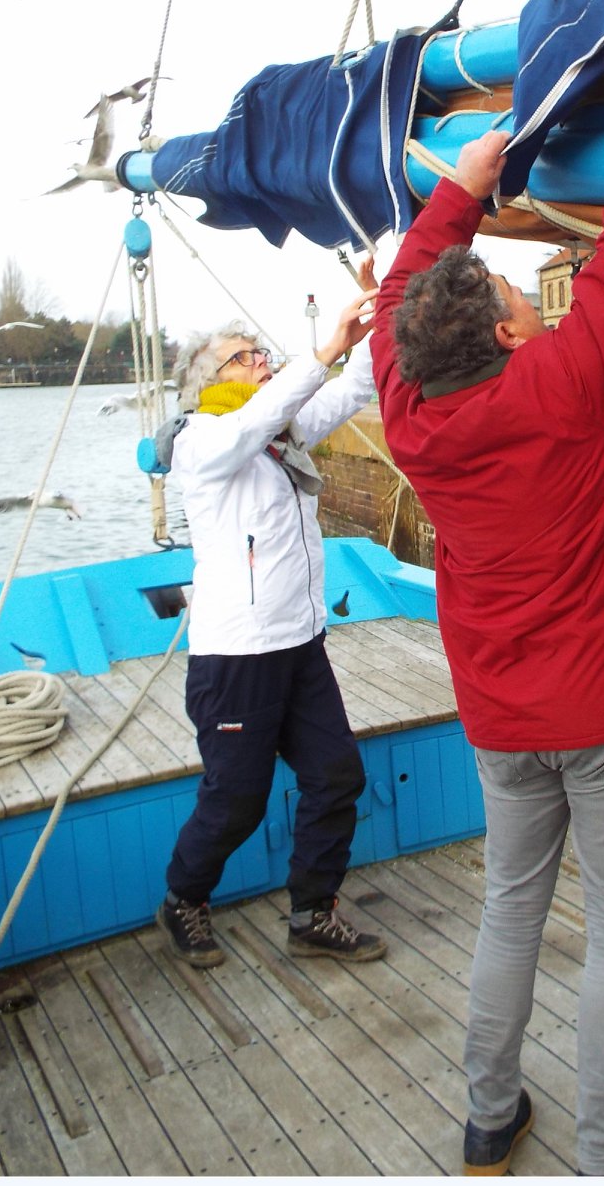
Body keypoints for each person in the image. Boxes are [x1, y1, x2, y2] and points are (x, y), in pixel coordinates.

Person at [369, 15, 604, 1177]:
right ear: (509, 330)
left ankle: (488, 1115)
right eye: (513, 292)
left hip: (500, 716)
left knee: (510, 908)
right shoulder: (563, 387)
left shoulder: (413, 414)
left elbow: (407, 288)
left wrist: (457, 189)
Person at [154, 267, 390, 970]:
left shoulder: (278, 435)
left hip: (299, 645)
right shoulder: (202, 439)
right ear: (211, 378)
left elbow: (350, 388)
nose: (261, 360)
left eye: (261, 351)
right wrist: (315, 354)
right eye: (246, 355)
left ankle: (313, 911)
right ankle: (182, 898)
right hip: (236, 656)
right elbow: (251, 421)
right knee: (237, 799)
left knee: (336, 776)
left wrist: (383, 320)